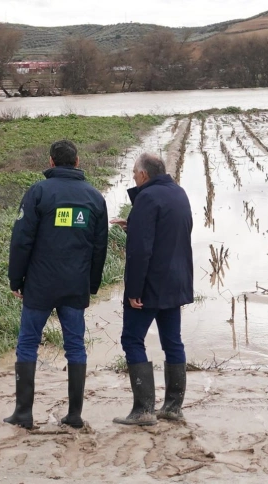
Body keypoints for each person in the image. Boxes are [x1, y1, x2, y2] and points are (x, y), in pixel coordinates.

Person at [5, 139, 109, 430]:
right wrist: (92, 284)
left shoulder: (39, 191)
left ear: (51, 162)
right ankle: (74, 415)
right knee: (75, 347)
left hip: (39, 284)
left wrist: (16, 279)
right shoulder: (94, 197)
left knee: (27, 343)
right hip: (75, 286)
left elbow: (22, 240)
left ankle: (23, 413)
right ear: (77, 162)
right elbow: (100, 247)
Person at [110, 153, 193, 426]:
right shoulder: (179, 193)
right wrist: (132, 225)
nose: (133, 177)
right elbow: (167, 233)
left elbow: (141, 250)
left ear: (144, 174)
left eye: (134, 173)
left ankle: (143, 410)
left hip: (150, 285)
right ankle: (172, 407)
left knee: (132, 340)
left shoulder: (146, 198)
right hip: (175, 282)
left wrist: (134, 289)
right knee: (173, 342)